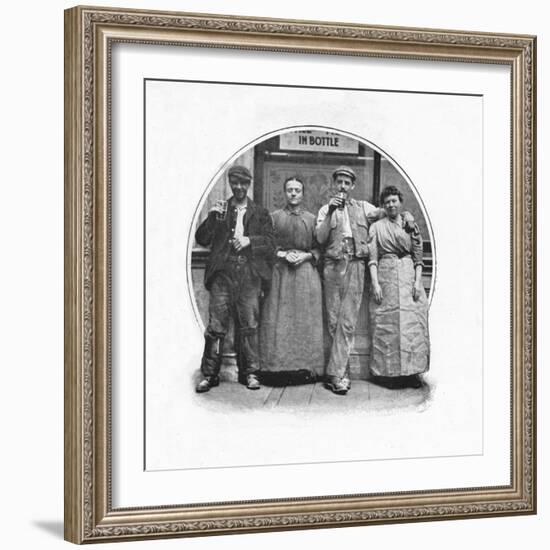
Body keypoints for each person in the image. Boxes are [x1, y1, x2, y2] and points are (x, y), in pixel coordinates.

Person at [316, 166, 415, 395]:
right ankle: (341, 370)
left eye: (346, 182)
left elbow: (388, 211)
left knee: (347, 322)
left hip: (357, 266)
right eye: (339, 181)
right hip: (332, 267)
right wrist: (331, 212)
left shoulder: (364, 207)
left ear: (352, 186)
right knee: (332, 321)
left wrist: (407, 215)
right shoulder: (325, 209)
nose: (342, 186)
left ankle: (336, 374)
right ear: (334, 184)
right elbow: (320, 238)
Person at [194, 165, 274, 393]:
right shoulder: (221, 210)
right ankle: (210, 375)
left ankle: (250, 373)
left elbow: (271, 244)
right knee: (216, 327)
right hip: (223, 274)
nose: (239, 188)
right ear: (230, 184)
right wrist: (211, 218)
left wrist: (250, 240)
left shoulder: (260, 213)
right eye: (235, 183)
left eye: (243, 183)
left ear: (249, 185)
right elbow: (202, 238)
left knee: (249, 324)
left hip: (249, 274)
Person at [259, 177, 324, 384]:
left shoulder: (312, 219)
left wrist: (306, 256)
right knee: (279, 319)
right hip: (281, 274)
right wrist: (282, 255)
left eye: (297, 190)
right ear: (285, 193)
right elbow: (266, 245)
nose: (293, 193)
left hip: (305, 274)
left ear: (303, 193)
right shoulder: (274, 217)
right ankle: (277, 369)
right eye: (289, 190)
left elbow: (319, 247)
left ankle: (305, 368)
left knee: (304, 320)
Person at [368, 185, 430, 389]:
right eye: (387, 202)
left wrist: (418, 280)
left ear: (400, 202)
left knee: (411, 325)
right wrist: (376, 283)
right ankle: (388, 374)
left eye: (394, 201)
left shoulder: (409, 224)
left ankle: (412, 373)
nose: (391, 205)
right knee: (387, 325)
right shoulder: (377, 227)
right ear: (383, 206)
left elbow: (418, 255)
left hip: (408, 274)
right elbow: (372, 258)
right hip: (385, 275)